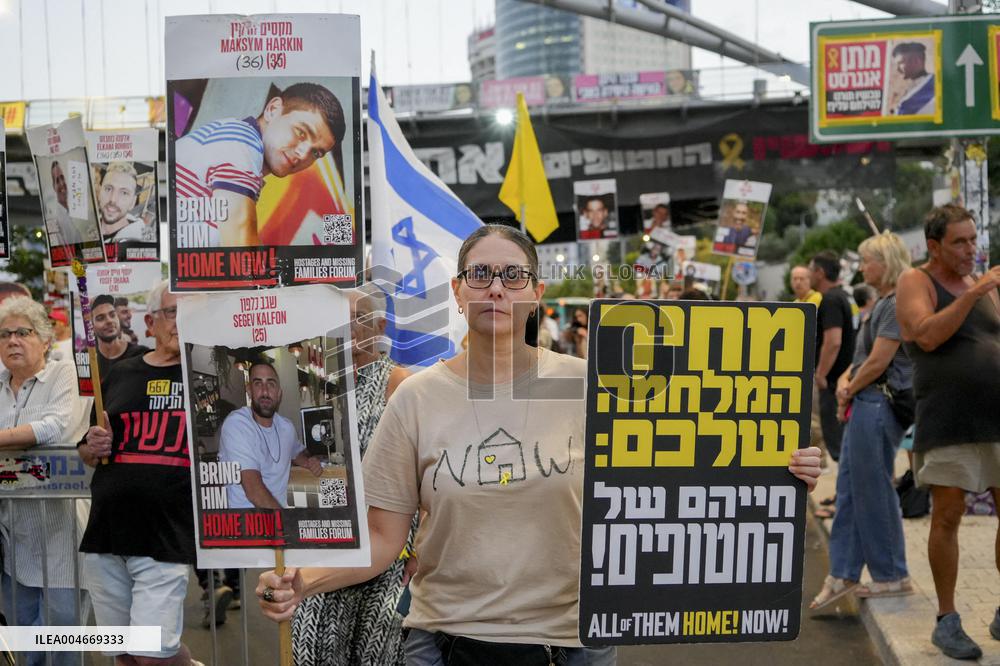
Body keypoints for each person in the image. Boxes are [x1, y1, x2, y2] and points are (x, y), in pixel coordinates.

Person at [256, 224, 823, 664]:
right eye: (479, 276)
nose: (496, 288)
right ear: (457, 292)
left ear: (536, 293)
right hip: (443, 642)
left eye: (512, 276)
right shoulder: (416, 399)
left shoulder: (593, 384)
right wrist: (301, 581)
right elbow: (382, 541)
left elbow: (687, 466)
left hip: (573, 642)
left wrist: (778, 467)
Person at [78, 281, 204, 666]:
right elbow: (86, 449)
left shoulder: (209, 377)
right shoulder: (119, 374)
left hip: (165, 539)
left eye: (191, 313)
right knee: (125, 655)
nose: (180, 321)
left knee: (153, 656)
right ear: (150, 322)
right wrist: (92, 446)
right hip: (106, 535)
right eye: (171, 312)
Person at [895, 204, 1000, 660]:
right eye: (959, 242)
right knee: (948, 516)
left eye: (973, 240)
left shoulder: (987, 288)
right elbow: (926, 335)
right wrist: (973, 294)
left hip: (997, 415)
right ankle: (947, 619)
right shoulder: (916, 282)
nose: (969, 249)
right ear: (933, 246)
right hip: (949, 417)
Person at [292, 285, 413, 666]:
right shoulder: (314, 387)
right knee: (312, 652)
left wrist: (423, 544)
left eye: (355, 319)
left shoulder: (400, 383)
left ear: (379, 326)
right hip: (325, 539)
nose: (345, 329)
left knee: (380, 655)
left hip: (389, 546)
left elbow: (425, 468)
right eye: (336, 322)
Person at [811, 232, 914, 610]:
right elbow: (860, 359)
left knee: (872, 491)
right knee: (852, 491)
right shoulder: (879, 305)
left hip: (877, 406)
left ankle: (891, 574)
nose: (862, 266)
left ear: (885, 262)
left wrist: (848, 387)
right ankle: (844, 572)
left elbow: (879, 361)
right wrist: (846, 385)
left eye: (869, 260)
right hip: (864, 403)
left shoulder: (895, 302)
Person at [0, 296, 89, 666]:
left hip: (61, 533)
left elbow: (53, 428)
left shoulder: (63, 372)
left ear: (45, 340)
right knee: (26, 638)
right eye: (4, 334)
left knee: (62, 633)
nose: (12, 341)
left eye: (24, 332)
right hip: (14, 537)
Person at [175, 82, 346, 248]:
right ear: (273, 110)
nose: (303, 154)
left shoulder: (236, 141)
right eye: (301, 132)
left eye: (316, 153)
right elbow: (241, 253)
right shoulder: (240, 142)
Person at [218, 361, 322, 509]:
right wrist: (286, 526)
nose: (265, 392)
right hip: (245, 523)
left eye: (271, 384)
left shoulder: (286, 427)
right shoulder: (237, 424)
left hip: (277, 518)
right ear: (249, 390)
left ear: (279, 393)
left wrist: (308, 462)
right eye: (258, 383)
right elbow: (254, 491)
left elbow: (295, 452)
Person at [809, 250, 856, 463]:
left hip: (833, 382)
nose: (809, 275)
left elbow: (833, 341)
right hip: (841, 381)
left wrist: (821, 374)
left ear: (819, 272)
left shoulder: (830, 299)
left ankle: (848, 494)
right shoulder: (841, 296)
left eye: (810, 270)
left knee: (838, 444)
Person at [91, 294, 148, 378]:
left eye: (112, 315)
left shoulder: (140, 354)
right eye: (100, 318)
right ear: (91, 326)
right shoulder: (86, 357)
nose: (109, 321)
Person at [98, 162, 152, 245]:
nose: (113, 199)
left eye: (124, 193)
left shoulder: (140, 244)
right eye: (108, 189)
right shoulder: (83, 230)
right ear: (100, 192)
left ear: (133, 202)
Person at [46, 161, 85, 247]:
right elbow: (56, 248)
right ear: (53, 186)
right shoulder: (51, 220)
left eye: (62, 178)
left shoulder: (76, 211)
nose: (61, 183)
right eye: (57, 180)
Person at [890, 42, 935, 116]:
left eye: (900, 63)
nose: (897, 69)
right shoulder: (915, 86)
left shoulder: (907, 104)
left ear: (916, 61)